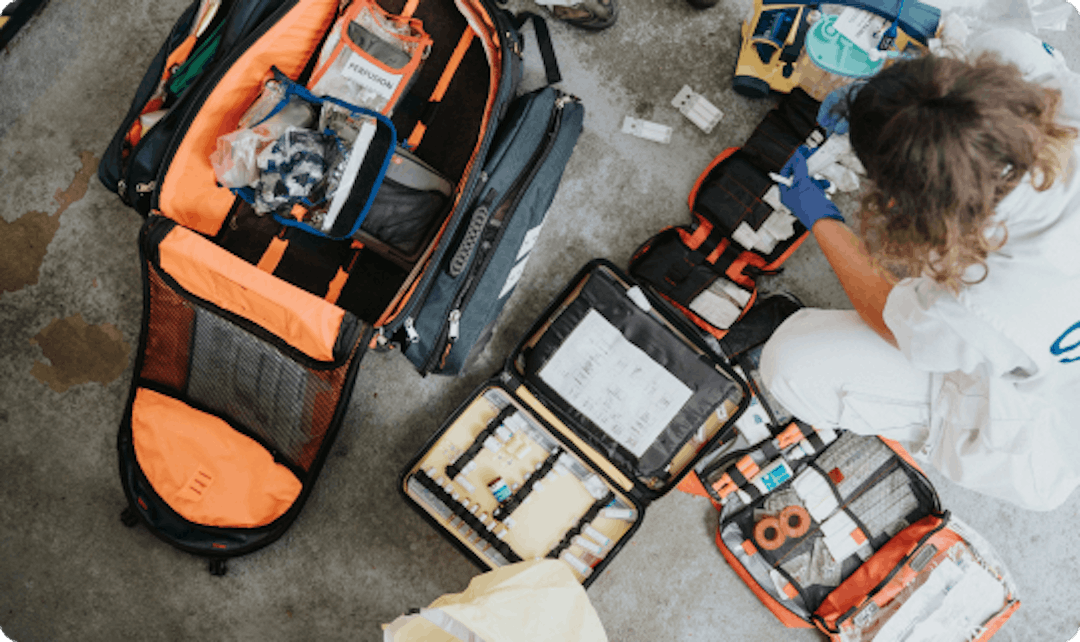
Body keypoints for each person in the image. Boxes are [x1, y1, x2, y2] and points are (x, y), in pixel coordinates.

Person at [760, 30, 1080, 511]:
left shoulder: (974, 302)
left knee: (790, 363)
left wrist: (818, 214)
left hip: (1049, 428)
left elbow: (888, 314)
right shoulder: (1053, 92)